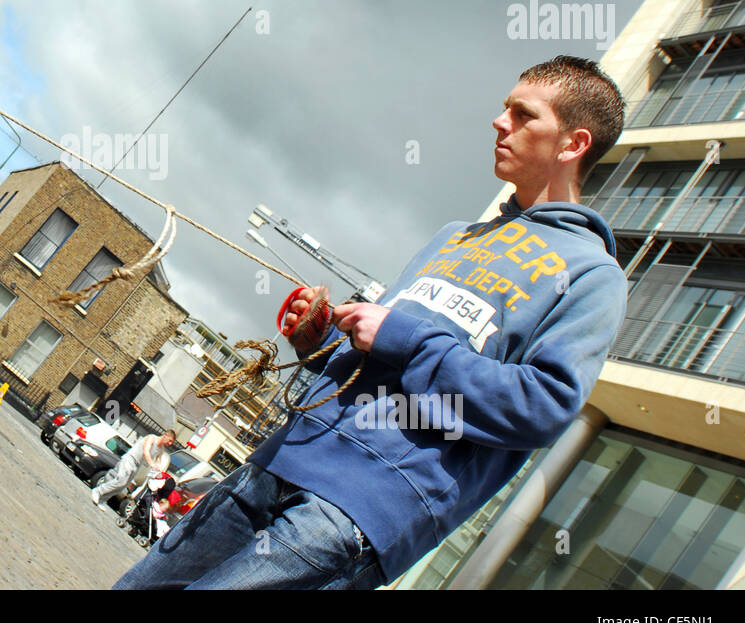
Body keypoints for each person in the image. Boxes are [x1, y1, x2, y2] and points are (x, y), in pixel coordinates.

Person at [113, 55, 629, 590]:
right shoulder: (456, 236)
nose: (500, 123)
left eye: (524, 115)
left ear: (573, 145)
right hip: (280, 460)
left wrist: (404, 338)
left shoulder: (593, 276)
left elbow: (541, 406)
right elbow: (375, 359)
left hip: (355, 512)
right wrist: (319, 340)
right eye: (505, 110)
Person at [92, 429, 176, 511]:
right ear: (165, 435)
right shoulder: (152, 438)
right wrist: (152, 464)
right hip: (130, 459)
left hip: (137, 465)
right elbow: (146, 452)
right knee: (121, 481)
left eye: (171, 442)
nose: (170, 443)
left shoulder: (161, 449)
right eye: (170, 440)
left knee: (122, 487)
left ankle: (102, 500)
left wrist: (158, 468)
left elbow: (159, 460)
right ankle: (98, 491)